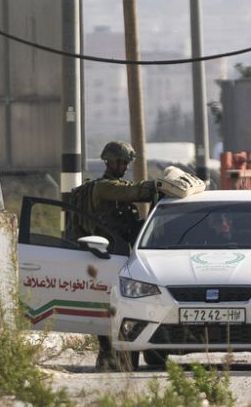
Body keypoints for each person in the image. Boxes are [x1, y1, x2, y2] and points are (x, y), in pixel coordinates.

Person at [69, 140, 159, 371]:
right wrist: (158, 186)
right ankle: (108, 355)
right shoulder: (104, 188)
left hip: (121, 254)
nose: (125, 166)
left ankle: (123, 356)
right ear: (109, 162)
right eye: (121, 162)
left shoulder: (115, 186)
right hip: (103, 255)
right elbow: (136, 191)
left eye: (127, 162)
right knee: (108, 307)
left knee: (126, 307)